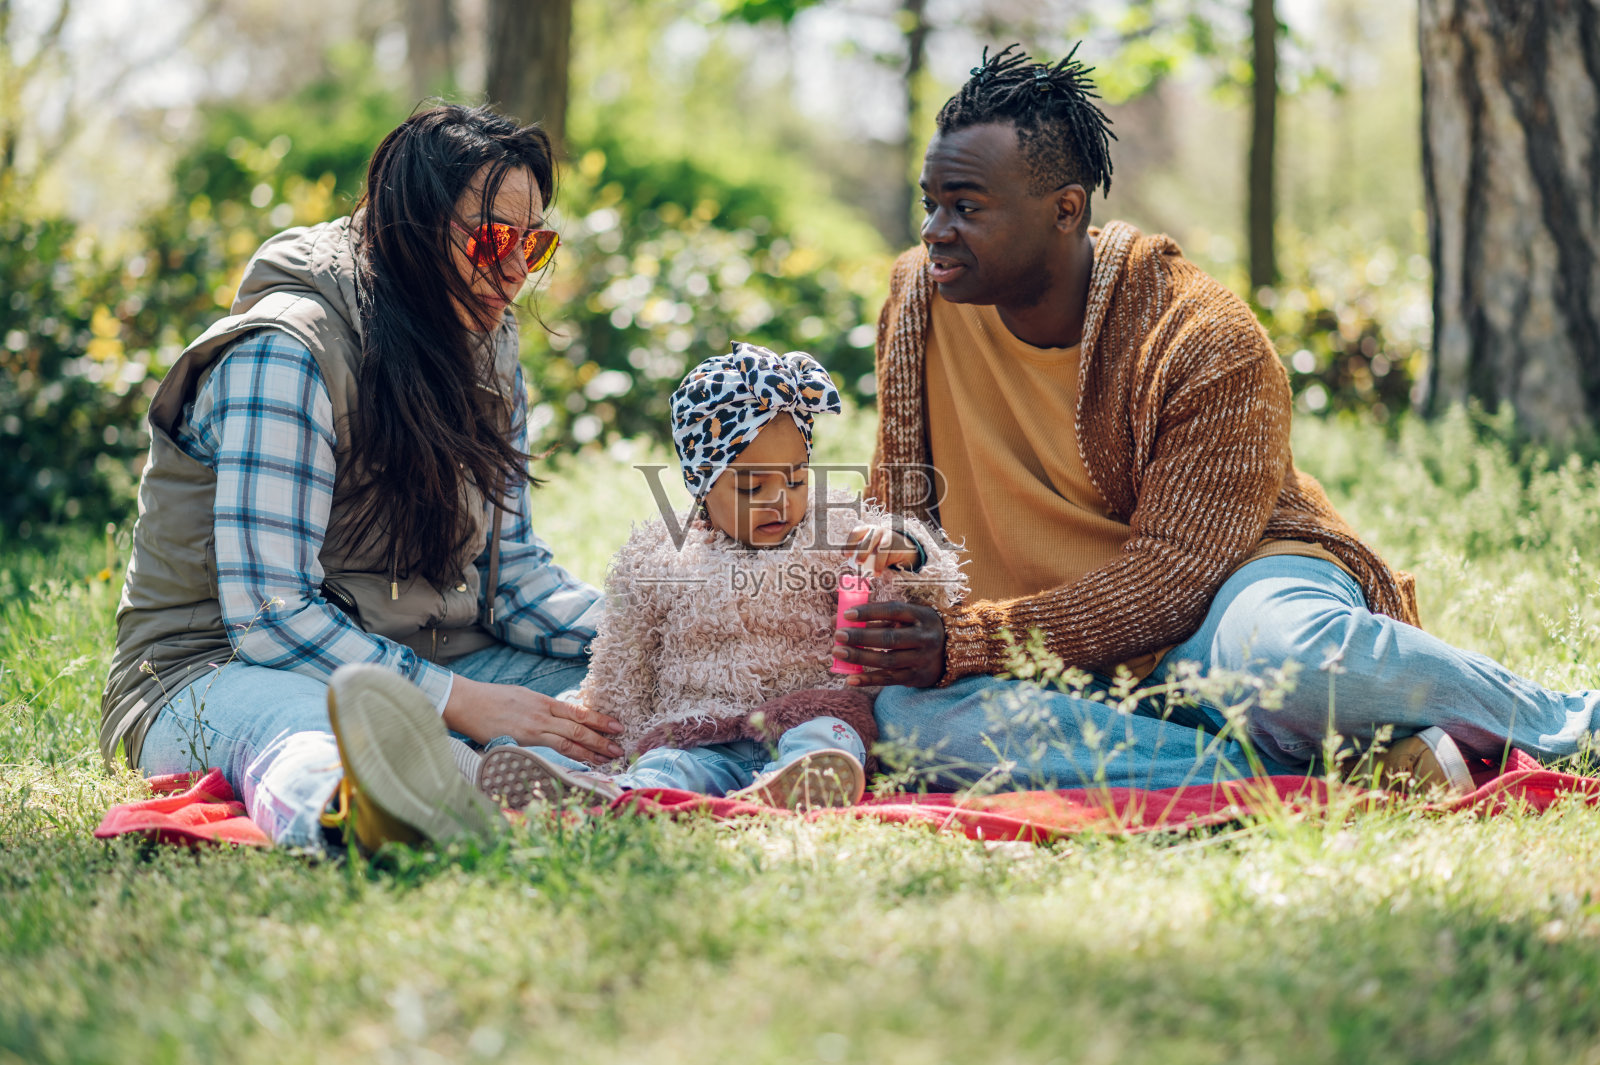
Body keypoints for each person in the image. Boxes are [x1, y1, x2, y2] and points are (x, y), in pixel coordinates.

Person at [831, 44, 1595, 792]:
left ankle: (1572, 723)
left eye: (965, 206)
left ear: (1066, 209)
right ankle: (1284, 767)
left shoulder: (1202, 337)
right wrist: (897, 595)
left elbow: (1172, 578)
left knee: (1284, 660)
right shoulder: (917, 299)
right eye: (930, 203)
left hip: (1225, 605)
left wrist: (969, 641)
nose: (934, 230)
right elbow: (903, 503)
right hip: (1058, 656)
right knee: (912, 717)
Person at [100, 105, 627, 853]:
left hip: (429, 656)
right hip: (218, 669)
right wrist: (461, 702)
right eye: (491, 238)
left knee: (623, 685)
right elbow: (272, 616)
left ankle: (488, 771)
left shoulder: (486, 342)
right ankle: (357, 815)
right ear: (410, 235)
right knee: (309, 730)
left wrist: (654, 628)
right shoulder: (285, 352)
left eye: (533, 244)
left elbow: (513, 582)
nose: (514, 271)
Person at [467, 344, 967, 810]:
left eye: (795, 477)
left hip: (809, 711)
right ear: (703, 487)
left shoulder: (834, 530)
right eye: (753, 486)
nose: (781, 499)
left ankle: (804, 779)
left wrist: (909, 551)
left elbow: (935, 593)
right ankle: (617, 794)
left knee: (827, 734)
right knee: (671, 766)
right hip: (702, 727)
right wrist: (600, 736)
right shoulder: (660, 559)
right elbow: (625, 661)